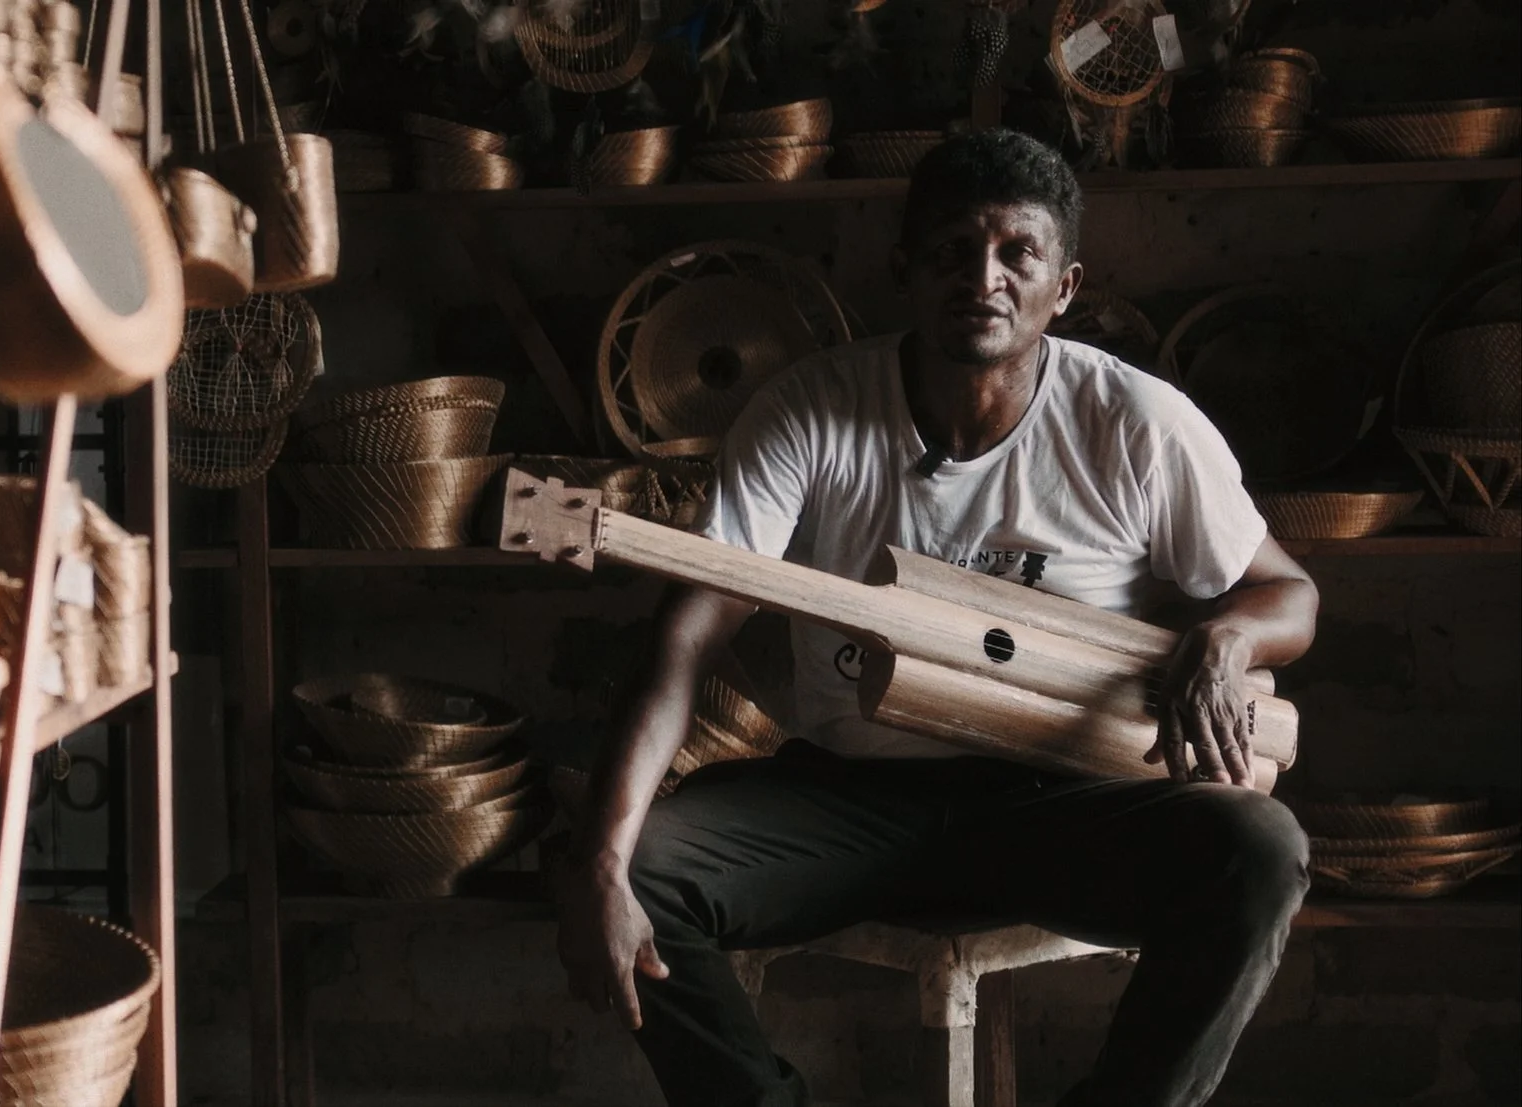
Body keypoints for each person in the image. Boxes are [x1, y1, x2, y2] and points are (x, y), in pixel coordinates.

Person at [556, 128, 1320, 1107]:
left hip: (1062, 806)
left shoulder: (1135, 421)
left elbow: (1287, 595)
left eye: (1017, 254)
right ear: (905, 268)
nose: (985, 278)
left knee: (1259, 850)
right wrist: (605, 862)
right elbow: (684, 636)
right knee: (639, 873)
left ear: (1065, 285)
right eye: (955, 250)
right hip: (850, 802)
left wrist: (1228, 637)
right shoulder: (810, 410)